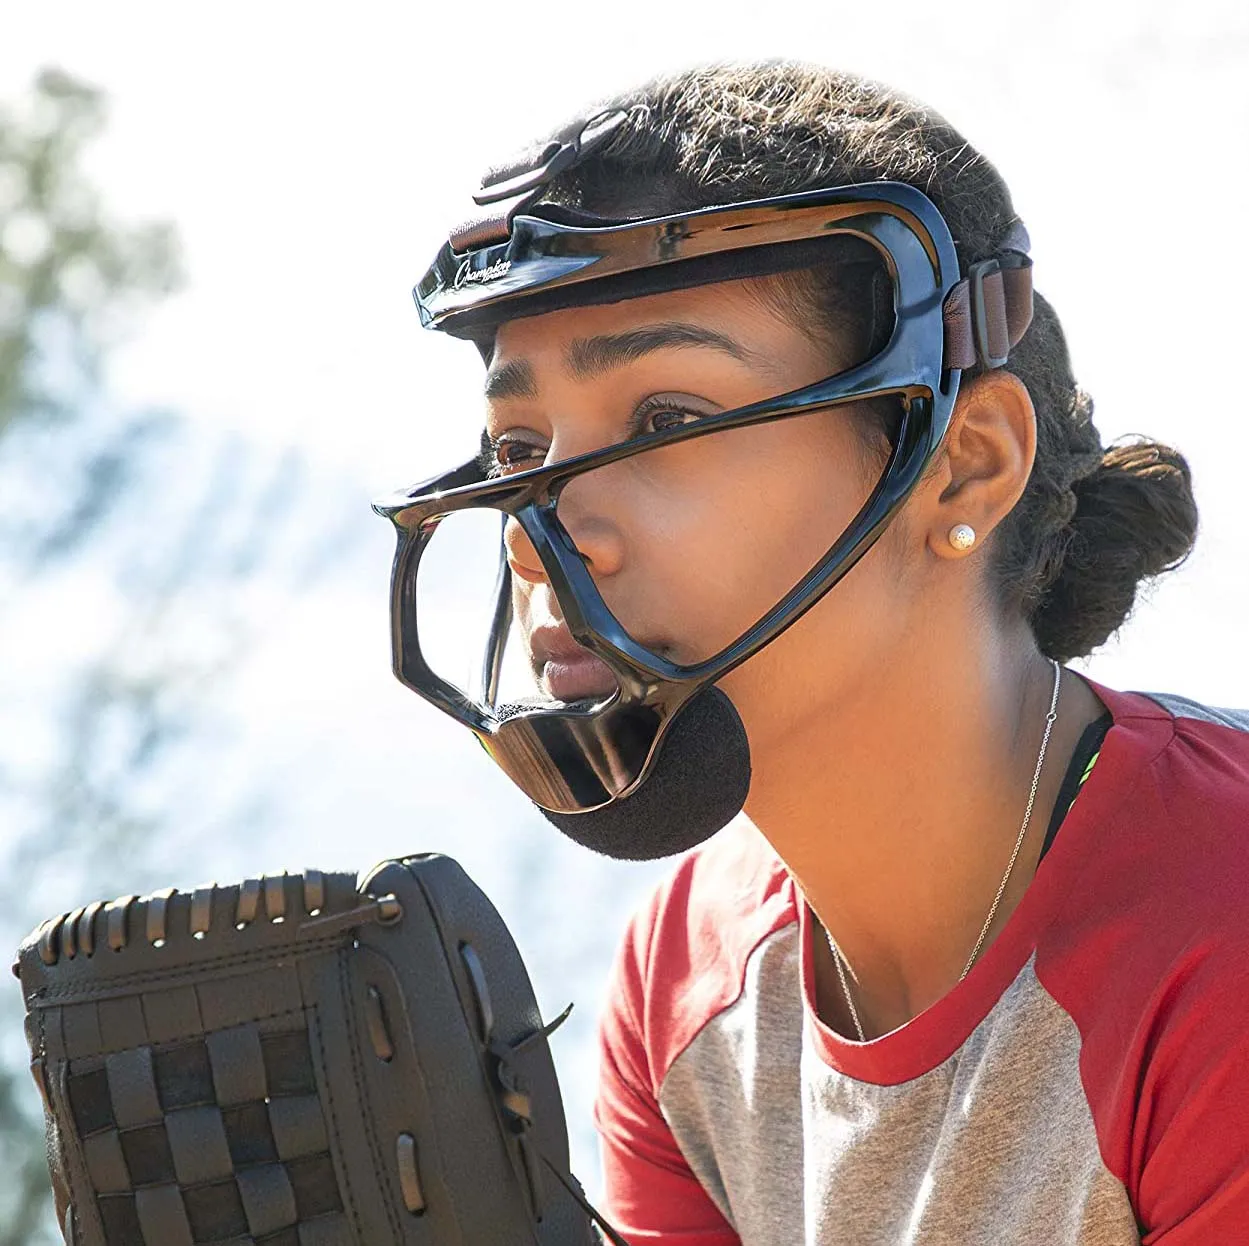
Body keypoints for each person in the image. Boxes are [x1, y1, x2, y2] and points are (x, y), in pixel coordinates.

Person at [378, 62, 1249, 1243]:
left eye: (668, 421)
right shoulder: (687, 974)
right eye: (517, 442)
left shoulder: (1221, 931)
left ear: (963, 465)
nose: (545, 532)